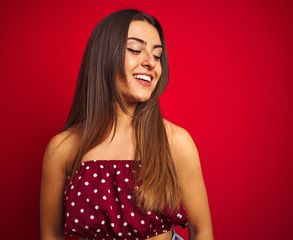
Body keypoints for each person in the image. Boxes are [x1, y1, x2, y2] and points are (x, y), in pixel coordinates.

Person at [40, 9, 213, 240]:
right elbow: (51, 235)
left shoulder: (176, 141)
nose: (151, 63)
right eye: (134, 49)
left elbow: (202, 231)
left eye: (158, 55)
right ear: (104, 56)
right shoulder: (62, 149)